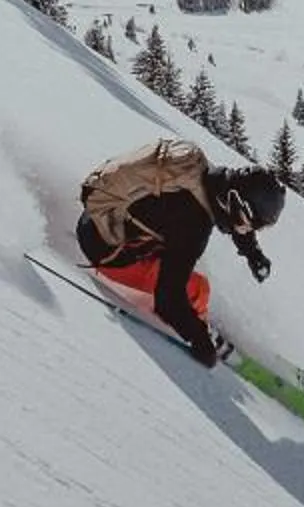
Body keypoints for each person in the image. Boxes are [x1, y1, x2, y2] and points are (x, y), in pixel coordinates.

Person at [75, 138, 287, 366]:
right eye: (248, 224)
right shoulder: (192, 224)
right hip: (105, 252)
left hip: (97, 219)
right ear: (236, 205)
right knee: (197, 288)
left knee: (181, 262)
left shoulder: (199, 174)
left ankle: (192, 319)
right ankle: (202, 330)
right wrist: (199, 339)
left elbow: (231, 213)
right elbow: (167, 299)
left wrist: (252, 252)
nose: (246, 230)